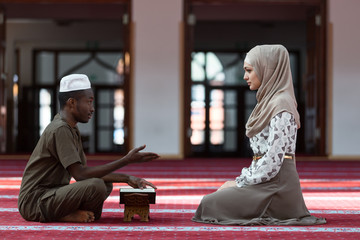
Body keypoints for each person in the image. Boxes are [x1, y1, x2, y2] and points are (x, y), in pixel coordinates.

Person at [192, 45, 326, 226]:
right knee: (212, 202)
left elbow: (273, 161)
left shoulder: (281, 105)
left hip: (276, 185)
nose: (245, 77)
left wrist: (239, 183)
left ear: (267, 69)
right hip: (265, 181)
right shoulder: (268, 102)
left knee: (210, 204)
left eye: (249, 70)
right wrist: (240, 182)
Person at [18, 74, 159, 223]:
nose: (92, 109)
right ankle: (64, 215)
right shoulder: (60, 129)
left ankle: (74, 214)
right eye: (89, 102)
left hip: (51, 195)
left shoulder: (71, 128)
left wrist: (127, 178)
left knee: (104, 183)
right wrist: (126, 160)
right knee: (96, 185)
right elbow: (80, 175)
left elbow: (84, 171)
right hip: (34, 202)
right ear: (72, 103)